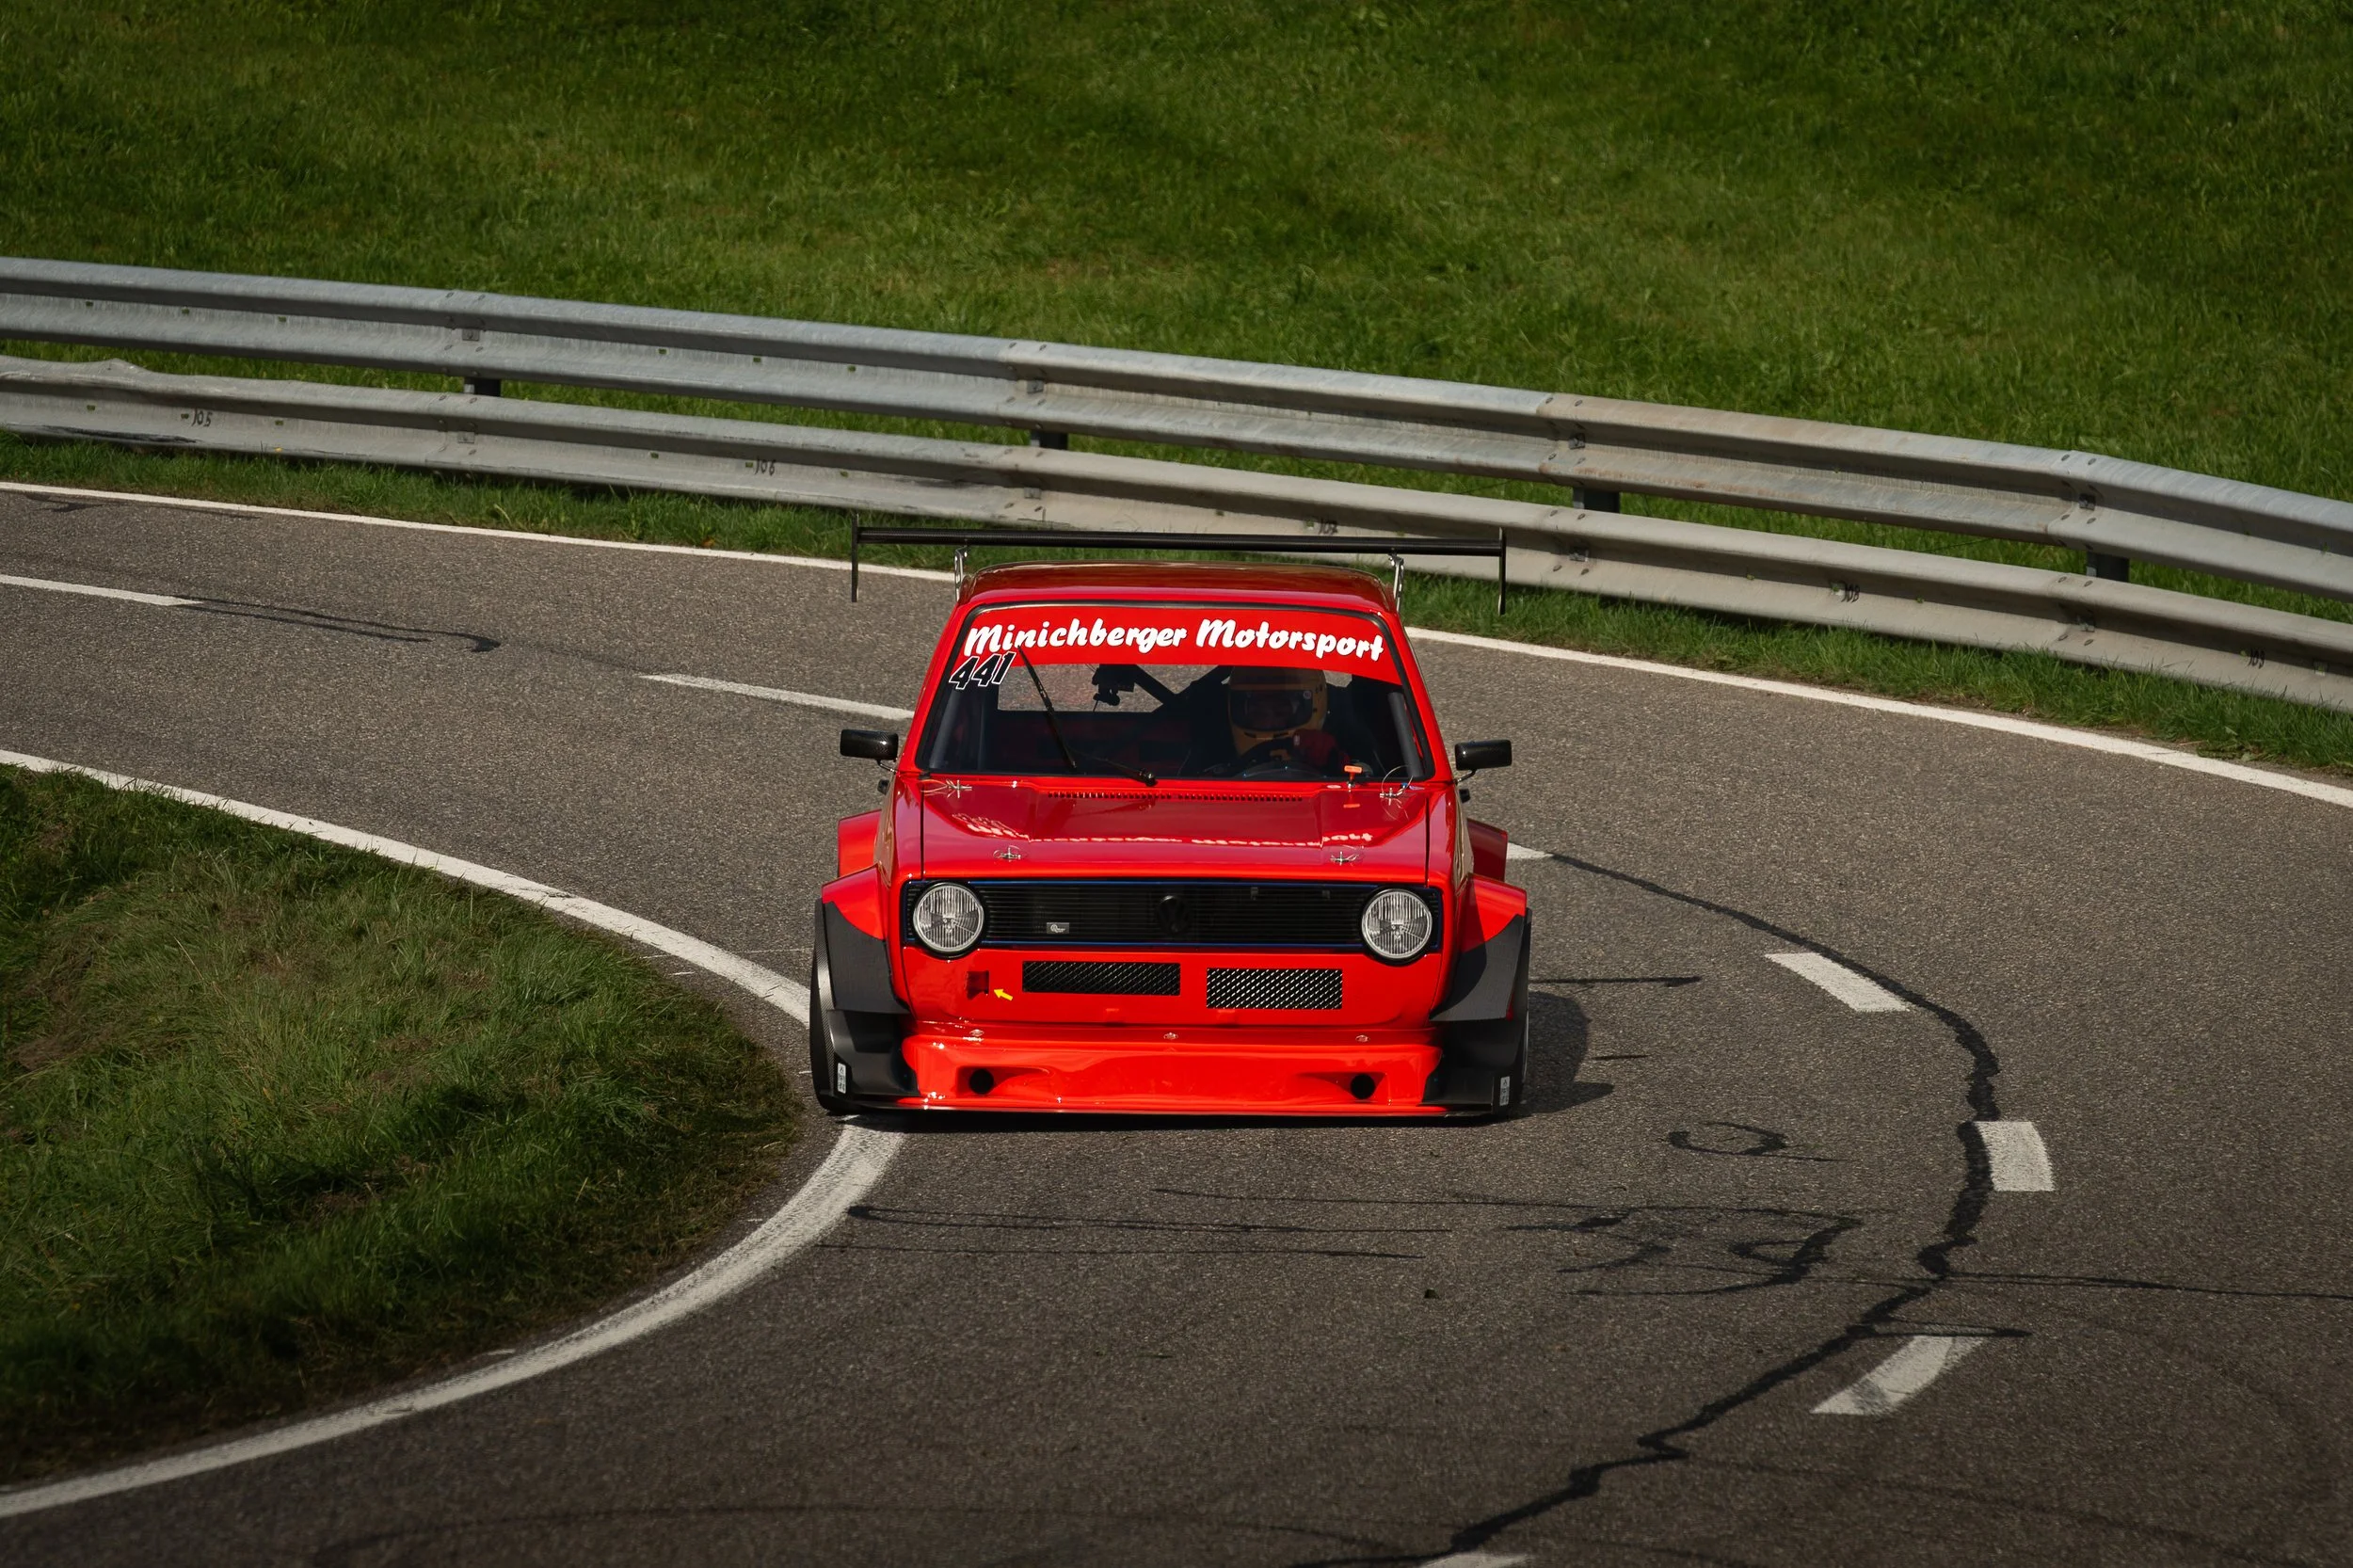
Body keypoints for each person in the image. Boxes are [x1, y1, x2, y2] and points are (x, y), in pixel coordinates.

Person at [1224, 665, 1350, 773]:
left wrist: (1333, 760)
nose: (1268, 724)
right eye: (1258, 714)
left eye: (1280, 713)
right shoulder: (1215, 754)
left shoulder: (1327, 753)